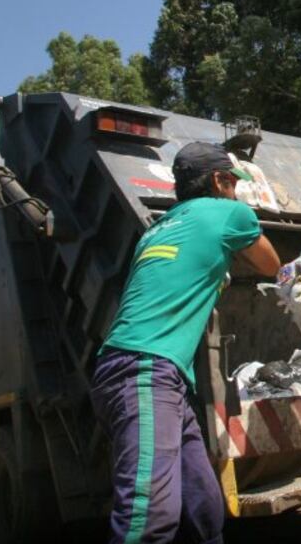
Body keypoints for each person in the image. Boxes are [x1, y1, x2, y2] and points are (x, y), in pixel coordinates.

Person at [91, 142, 281, 544]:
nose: (236, 191)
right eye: (233, 183)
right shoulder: (230, 213)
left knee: (202, 507)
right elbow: (271, 265)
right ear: (219, 181)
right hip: (144, 371)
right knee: (148, 517)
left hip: (144, 373)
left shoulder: (157, 228)